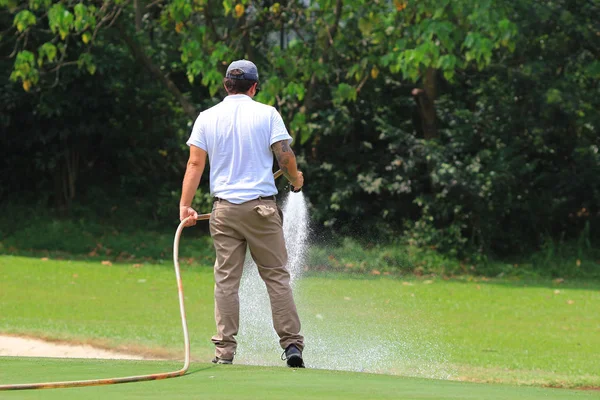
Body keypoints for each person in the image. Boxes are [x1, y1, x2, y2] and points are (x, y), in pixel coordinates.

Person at [179, 60, 305, 368]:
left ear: (225, 85)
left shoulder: (206, 118)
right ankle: (292, 346)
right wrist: (296, 178)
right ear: (253, 87)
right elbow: (284, 156)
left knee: (226, 280)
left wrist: (185, 205)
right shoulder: (267, 114)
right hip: (262, 208)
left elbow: (195, 165)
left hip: (224, 212)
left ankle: (224, 352)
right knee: (276, 277)